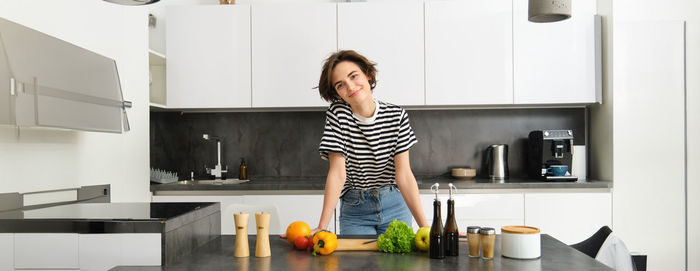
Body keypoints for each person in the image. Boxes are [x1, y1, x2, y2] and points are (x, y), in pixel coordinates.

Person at [313, 50, 429, 235]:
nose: (350, 87)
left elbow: (404, 175)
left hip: (395, 205)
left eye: (354, 76)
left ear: (367, 74)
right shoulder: (338, 115)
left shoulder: (396, 115)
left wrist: (426, 229)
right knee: (357, 264)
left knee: (398, 264)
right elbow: (337, 173)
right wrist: (322, 227)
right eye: (340, 85)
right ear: (337, 93)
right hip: (355, 210)